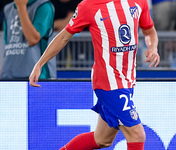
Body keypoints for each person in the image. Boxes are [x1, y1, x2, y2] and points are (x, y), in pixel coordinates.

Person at [29, 0, 160, 149]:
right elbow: (63, 37)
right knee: (137, 135)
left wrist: (153, 47)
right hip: (108, 82)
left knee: (102, 139)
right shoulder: (89, 5)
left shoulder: (139, 2)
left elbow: (149, 31)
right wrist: (40, 64)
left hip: (127, 81)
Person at [1, 0, 56, 79]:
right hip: (9, 75)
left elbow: (33, 39)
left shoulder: (44, 6)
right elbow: (8, 44)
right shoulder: (8, 9)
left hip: (37, 76)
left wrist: (21, 7)